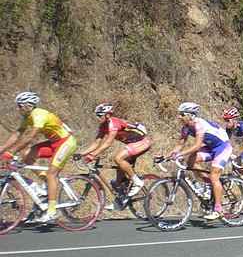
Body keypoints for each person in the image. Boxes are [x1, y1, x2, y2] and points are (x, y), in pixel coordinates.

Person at [0, 92, 77, 223]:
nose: (18, 109)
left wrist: (11, 152)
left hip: (66, 142)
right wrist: (1, 150)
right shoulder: (27, 117)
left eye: (20, 106)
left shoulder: (39, 115)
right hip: (53, 143)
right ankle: (45, 184)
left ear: (28, 105)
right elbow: (16, 135)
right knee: (26, 155)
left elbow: (30, 137)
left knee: (51, 175)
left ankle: (52, 211)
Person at [165, 102, 232, 221]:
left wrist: (180, 154)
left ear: (191, 115)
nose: (179, 117)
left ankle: (218, 210)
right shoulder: (185, 128)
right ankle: (207, 182)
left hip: (223, 146)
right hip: (211, 147)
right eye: (179, 114)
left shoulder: (199, 124)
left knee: (214, 175)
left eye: (182, 114)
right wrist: (165, 156)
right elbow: (180, 145)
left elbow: (197, 145)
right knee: (190, 160)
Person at [79, 103, 152, 210]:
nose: (97, 118)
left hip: (142, 141)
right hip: (131, 143)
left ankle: (137, 181)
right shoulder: (102, 127)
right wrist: (82, 154)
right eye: (96, 115)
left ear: (107, 115)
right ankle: (120, 201)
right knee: (119, 174)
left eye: (99, 115)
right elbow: (96, 143)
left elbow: (108, 143)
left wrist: (93, 154)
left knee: (117, 158)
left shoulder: (113, 123)